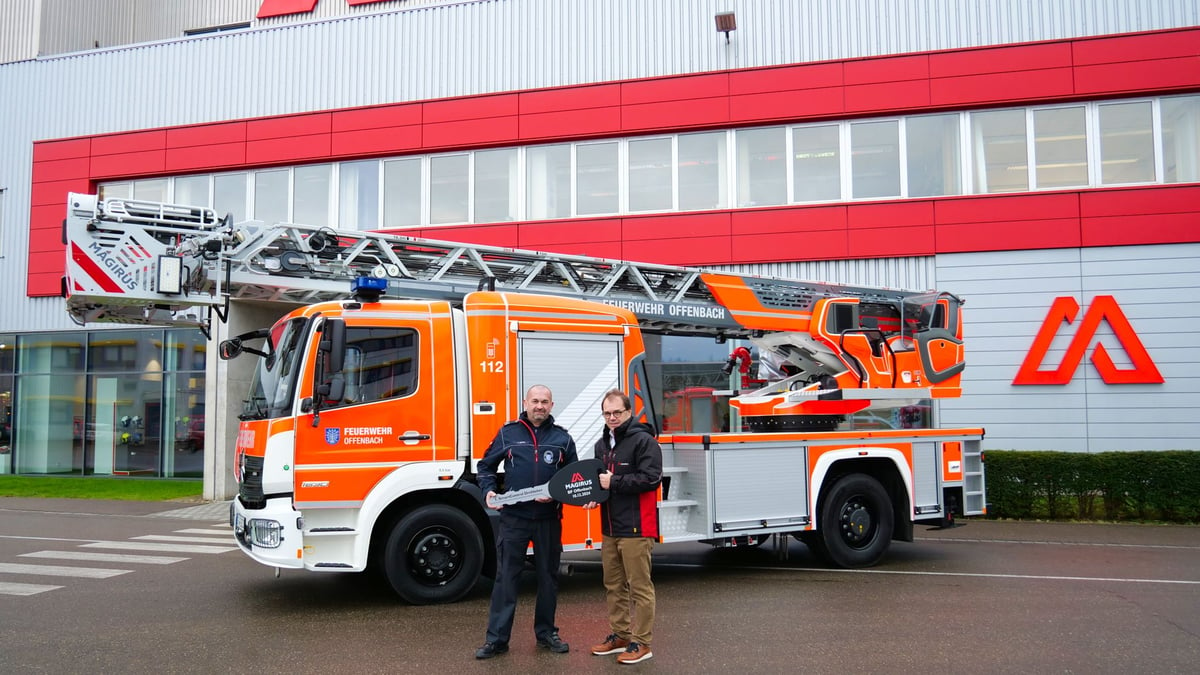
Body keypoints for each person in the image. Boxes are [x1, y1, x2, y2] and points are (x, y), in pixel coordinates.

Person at [475, 384, 578, 660]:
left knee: (547, 578)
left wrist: (557, 496)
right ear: (526, 402)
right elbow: (484, 466)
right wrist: (488, 491)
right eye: (535, 401)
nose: (540, 406)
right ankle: (496, 639)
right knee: (506, 579)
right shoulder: (508, 433)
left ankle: (546, 634)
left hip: (548, 519)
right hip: (514, 519)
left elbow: (573, 479)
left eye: (545, 401)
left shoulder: (563, 440)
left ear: (551, 405)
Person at [585, 389, 663, 665]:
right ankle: (620, 636)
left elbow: (651, 479)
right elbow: (601, 481)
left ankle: (642, 643)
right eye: (607, 413)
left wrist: (613, 482)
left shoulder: (644, 441)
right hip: (609, 527)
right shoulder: (601, 444)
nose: (612, 417)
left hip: (636, 528)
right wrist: (596, 496)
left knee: (639, 586)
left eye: (617, 412)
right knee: (613, 585)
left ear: (629, 412)